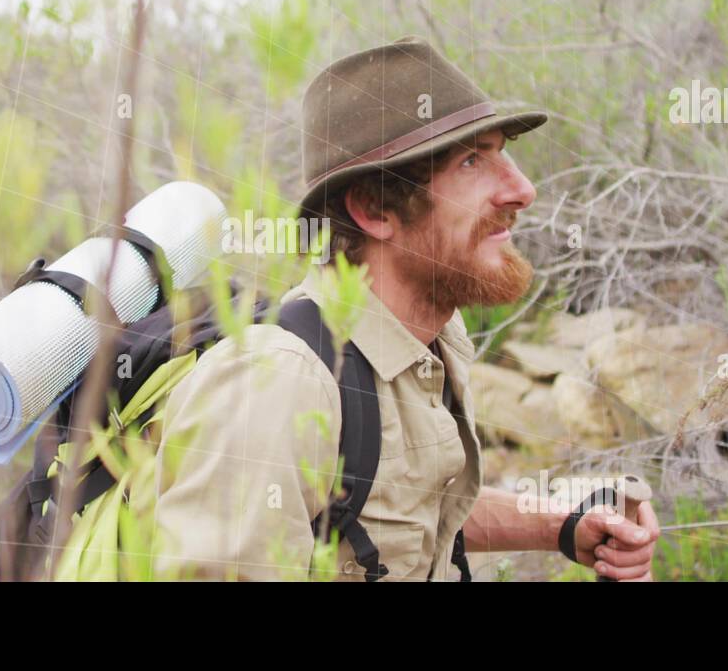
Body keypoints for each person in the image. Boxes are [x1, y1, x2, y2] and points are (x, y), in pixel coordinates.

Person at [150, 36, 660, 581]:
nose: (522, 189)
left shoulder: (429, 338)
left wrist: (563, 524)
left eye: (501, 153)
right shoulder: (277, 383)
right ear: (375, 208)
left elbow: (410, 503)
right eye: (471, 161)